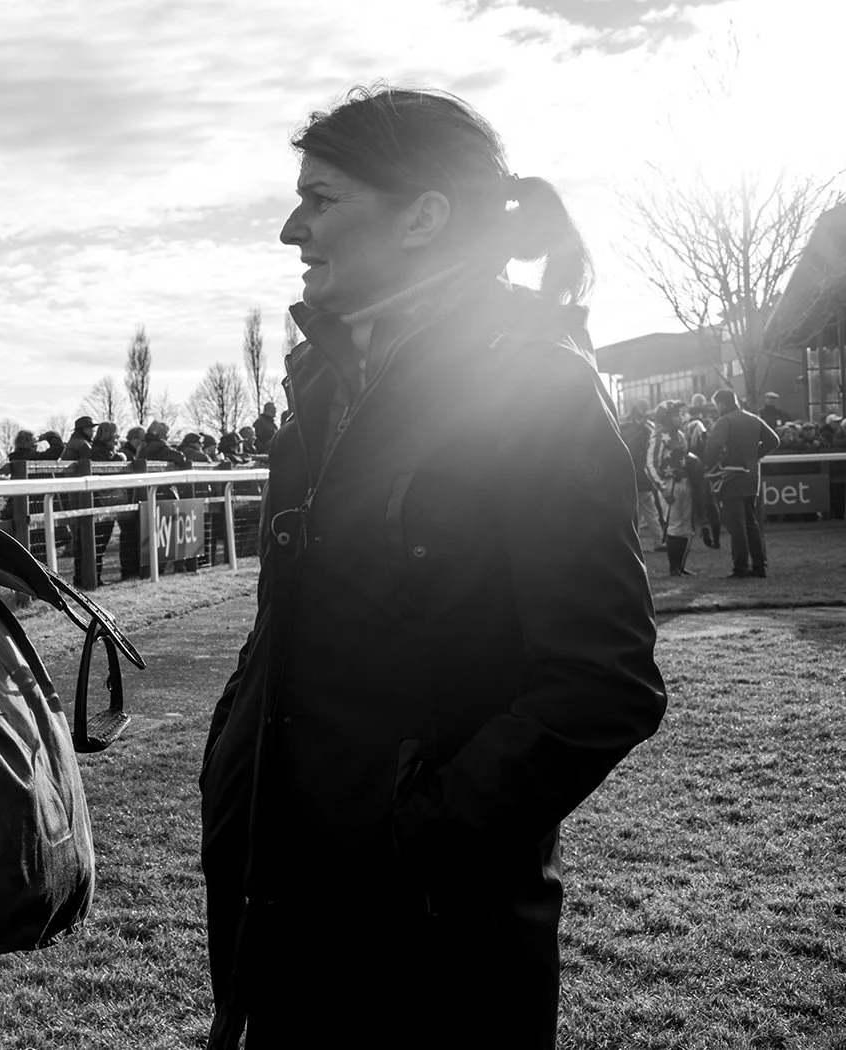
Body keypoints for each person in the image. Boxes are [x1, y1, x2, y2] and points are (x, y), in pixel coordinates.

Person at [199, 85, 666, 1049]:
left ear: (423, 217)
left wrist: (420, 838)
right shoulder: (320, 384)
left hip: (433, 951)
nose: (293, 228)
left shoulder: (531, 384)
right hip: (276, 912)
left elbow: (602, 684)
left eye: (321, 198)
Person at [703, 387, 780, 578]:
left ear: (721, 403)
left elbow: (714, 445)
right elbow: (774, 440)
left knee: (736, 525)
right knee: (752, 523)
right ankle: (759, 565)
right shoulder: (753, 418)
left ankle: (741, 567)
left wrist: (708, 466)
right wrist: (754, 456)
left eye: (716, 406)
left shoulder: (724, 421)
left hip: (731, 476)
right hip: (752, 476)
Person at [647, 400, 696, 576]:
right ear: (666, 418)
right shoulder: (659, 437)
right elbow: (650, 465)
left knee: (684, 526)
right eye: (675, 415)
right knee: (675, 525)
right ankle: (673, 568)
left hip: (685, 482)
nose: (680, 417)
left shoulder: (681, 436)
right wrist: (662, 487)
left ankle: (680, 566)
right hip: (670, 484)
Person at [619, 397, 663, 553]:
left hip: (626, 474)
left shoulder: (621, 428)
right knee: (650, 510)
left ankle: (633, 543)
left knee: (631, 512)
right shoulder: (648, 428)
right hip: (643, 473)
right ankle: (658, 541)